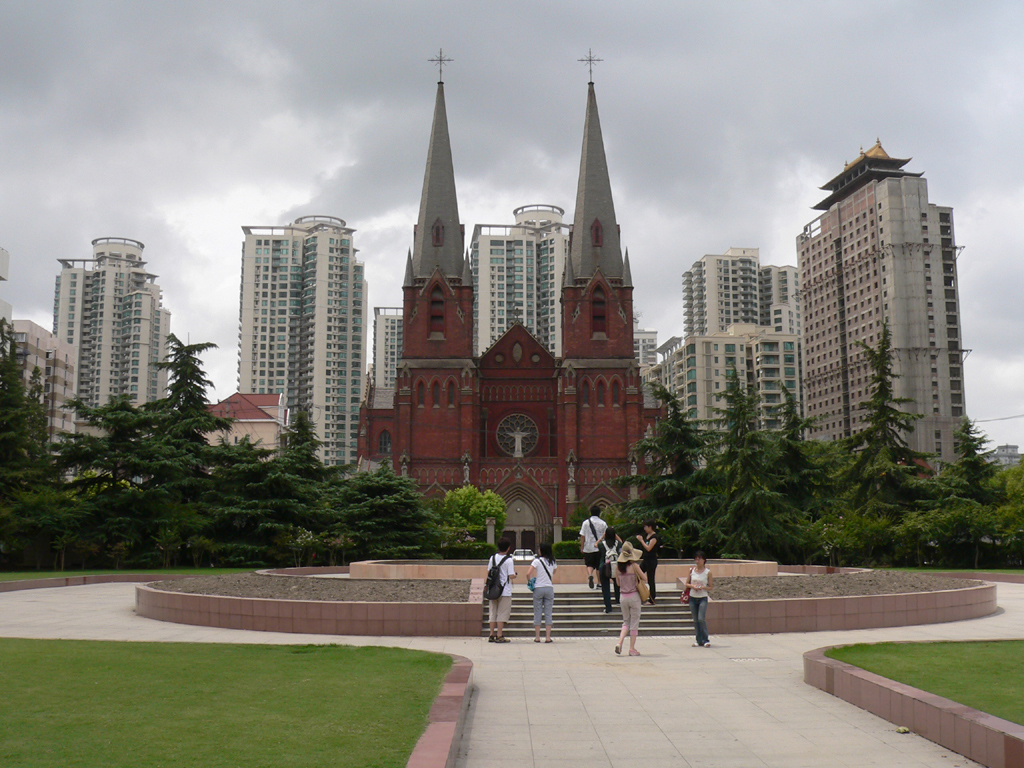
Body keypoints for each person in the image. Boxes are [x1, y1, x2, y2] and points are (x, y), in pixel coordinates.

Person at [613, 541, 647, 656]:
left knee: (625, 622)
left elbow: (618, 583)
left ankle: (619, 642)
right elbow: (645, 578)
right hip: (634, 596)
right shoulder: (634, 566)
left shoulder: (618, 568)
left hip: (623, 597)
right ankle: (632, 648)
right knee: (634, 623)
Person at [487, 538, 516, 643]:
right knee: (502, 613)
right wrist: (515, 575)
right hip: (504, 590)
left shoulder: (492, 558)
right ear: (508, 548)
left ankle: (491, 634)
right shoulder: (509, 560)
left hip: (493, 590)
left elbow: (489, 573)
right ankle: (499, 635)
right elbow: (511, 576)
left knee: (493, 612)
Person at [527, 542, 557, 643]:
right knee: (548, 613)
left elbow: (528, 573)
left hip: (538, 588)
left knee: (537, 612)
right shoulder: (553, 561)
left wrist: (530, 581)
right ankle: (548, 637)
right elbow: (554, 572)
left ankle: (537, 637)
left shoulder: (536, 561)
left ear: (542, 550)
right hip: (549, 588)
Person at [685, 550, 713, 648]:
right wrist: (693, 586)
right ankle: (698, 640)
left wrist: (702, 587)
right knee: (695, 620)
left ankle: (706, 639)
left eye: (699, 559)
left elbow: (711, 587)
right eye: (696, 559)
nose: (697, 561)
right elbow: (686, 583)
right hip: (693, 597)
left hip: (702, 598)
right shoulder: (691, 570)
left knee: (701, 618)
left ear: (704, 560)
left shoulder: (708, 572)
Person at [578, 505, 608, 589]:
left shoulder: (585, 523)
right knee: (599, 566)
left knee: (589, 564)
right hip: (599, 548)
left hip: (588, 548)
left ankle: (590, 575)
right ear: (599, 513)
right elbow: (606, 535)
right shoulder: (603, 523)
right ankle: (599, 583)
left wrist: (582, 547)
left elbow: (582, 536)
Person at [597, 527, 621, 613]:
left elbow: (596, 545)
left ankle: (608, 607)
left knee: (605, 588)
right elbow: (622, 542)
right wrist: (616, 536)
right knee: (617, 583)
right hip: (616, 566)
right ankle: (618, 601)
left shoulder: (602, 544)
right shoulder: (618, 543)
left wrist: (602, 537)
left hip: (604, 567)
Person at [636, 520, 660, 605]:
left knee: (650, 579)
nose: (644, 528)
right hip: (645, 560)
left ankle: (652, 598)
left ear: (650, 527)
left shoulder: (654, 537)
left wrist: (641, 540)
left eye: (646, 526)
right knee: (637, 574)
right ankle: (640, 593)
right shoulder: (648, 535)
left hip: (651, 560)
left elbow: (649, 548)